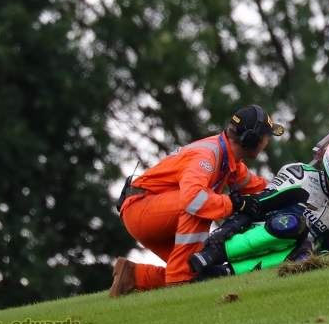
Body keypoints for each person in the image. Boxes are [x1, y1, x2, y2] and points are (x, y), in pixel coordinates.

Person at [108, 105, 283, 297]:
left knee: (199, 269)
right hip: (141, 209)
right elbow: (193, 199)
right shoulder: (207, 156)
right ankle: (180, 284)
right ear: (251, 139)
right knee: (200, 205)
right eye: (266, 137)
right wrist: (234, 204)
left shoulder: (229, 161)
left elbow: (262, 187)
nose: (267, 142)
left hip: (151, 211)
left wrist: (300, 183)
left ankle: (135, 276)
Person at [187, 129, 329, 279]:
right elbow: (257, 204)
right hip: (251, 235)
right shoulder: (300, 174)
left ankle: (225, 272)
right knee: (294, 223)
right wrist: (225, 231)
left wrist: (309, 250)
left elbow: (328, 253)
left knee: (305, 253)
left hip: (284, 255)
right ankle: (216, 254)